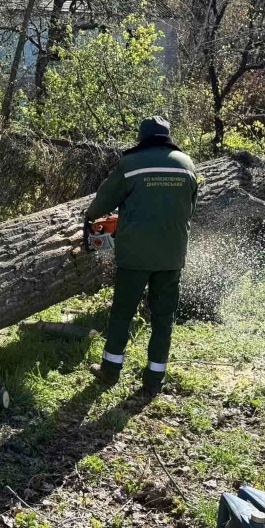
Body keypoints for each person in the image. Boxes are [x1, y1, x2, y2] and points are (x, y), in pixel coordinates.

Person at [84, 116, 198, 394]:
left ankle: (110, 371)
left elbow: (102, 203)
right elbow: (190, 208)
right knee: (163, 317)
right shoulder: (187, 164)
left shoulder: (131, 164)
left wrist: (89, 216)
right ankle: (154, 379)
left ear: (142, 137)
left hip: (135, 255)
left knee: (123, 313)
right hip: (172, 254)